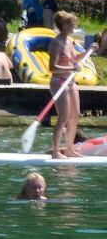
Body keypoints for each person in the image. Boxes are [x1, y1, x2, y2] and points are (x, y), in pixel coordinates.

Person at [49, 11, 86, 159]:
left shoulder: (69, 41)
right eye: (71, 24)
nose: (73, 27)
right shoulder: (56, 42)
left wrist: (89, 51)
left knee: (74, 116)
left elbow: (74, 58)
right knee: (63, 117)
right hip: (58, 82)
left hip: (70, 82)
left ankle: (70, 150)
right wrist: (71, 68)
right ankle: (56, 152)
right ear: (63, 25)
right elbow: (52, 67)